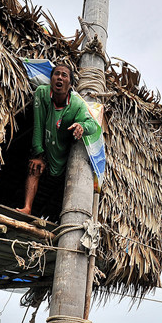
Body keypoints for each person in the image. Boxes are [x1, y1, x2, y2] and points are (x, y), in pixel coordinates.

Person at [15, 62, 98, 216]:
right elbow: (38, 124)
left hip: (63, 155)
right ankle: (27, 207)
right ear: (51, 78)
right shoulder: (42, 93)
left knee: (67, 180)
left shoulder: (77, 105)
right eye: (56, 74)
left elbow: (93, 125)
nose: (59, 77)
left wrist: (81, 126)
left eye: (64, 75)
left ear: (70, 84)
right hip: (45, 148)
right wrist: (38, 154)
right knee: (34, 167)